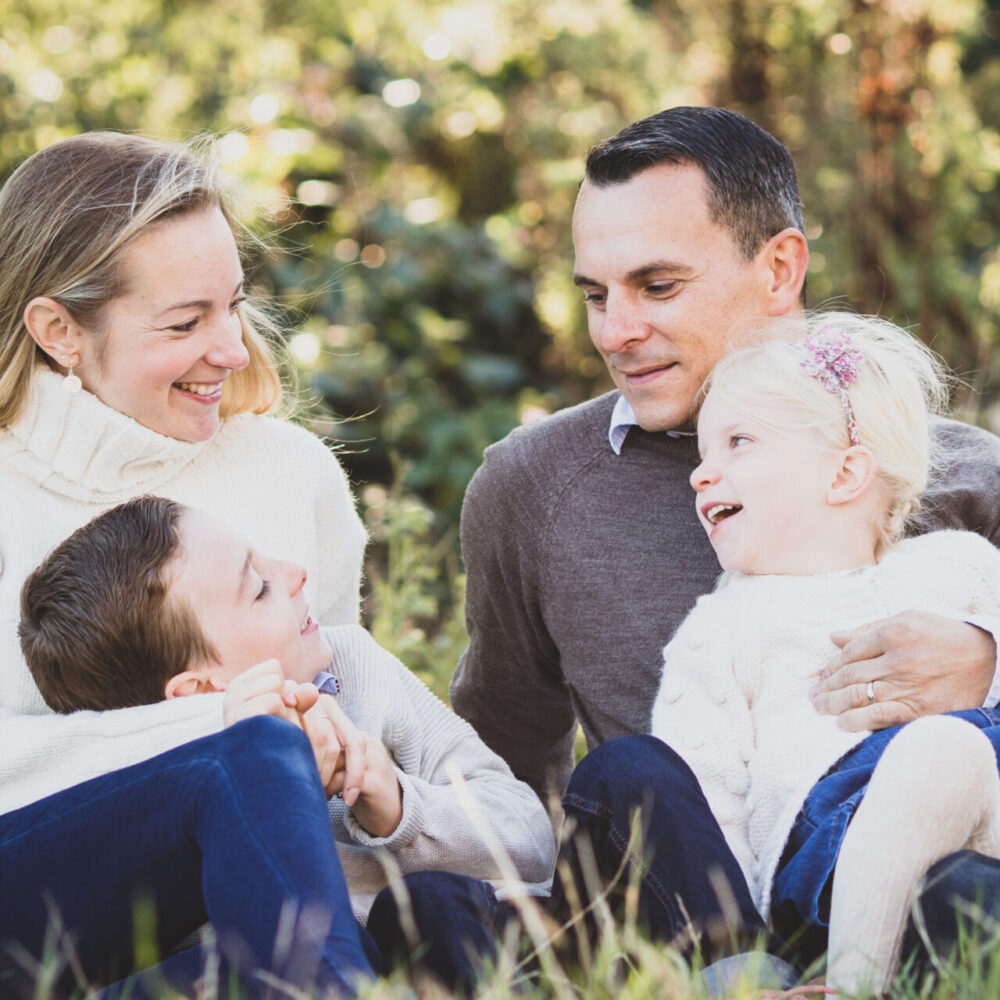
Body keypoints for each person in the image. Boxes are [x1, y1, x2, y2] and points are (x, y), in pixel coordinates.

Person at [450, 105, 1000, 985]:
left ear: (779, 266)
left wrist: (987, 655)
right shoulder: (533, 488)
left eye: (656, 287)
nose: (613, 332)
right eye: (596, 294)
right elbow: (505, 768)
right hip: (704, 926)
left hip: (932, 896)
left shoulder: (958, 470)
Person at [0, 131, 362, 991]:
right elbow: (267, 733)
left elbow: (338, 690)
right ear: (58, 330)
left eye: (233, 304)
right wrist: (227, 725)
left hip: (232, 924)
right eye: (185, 322)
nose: (233, 348)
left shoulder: (290, 471)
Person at [17, 496, 555, 991]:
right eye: (259, 588)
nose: (296, 573)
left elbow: (531, 837)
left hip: (455, 937)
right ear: (201, 691)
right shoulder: (176, 806)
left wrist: (399, 809)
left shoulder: (353, 666)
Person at [644, 312, 1000, 992]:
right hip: (839, 840)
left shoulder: (962, 563)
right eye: (701, 454)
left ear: (845, 476)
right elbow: (707, 808)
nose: (701, 474)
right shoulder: (721, 628)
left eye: (736, 443)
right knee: (940, 751)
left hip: (985, 810)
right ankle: (853, 986)